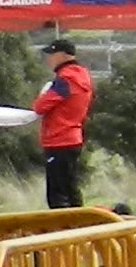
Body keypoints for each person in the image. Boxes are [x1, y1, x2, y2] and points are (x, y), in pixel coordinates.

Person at [32, 36, 95, 209]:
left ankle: (62, 231)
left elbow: (40, 107)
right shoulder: (82, 76)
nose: (49, 59)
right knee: (71, 188)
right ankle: (79, 227)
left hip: (58, 139)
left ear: (63, 55)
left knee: (57, 194)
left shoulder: (65, 79)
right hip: (73, 137)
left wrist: (43, 94)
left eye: (52, 54)